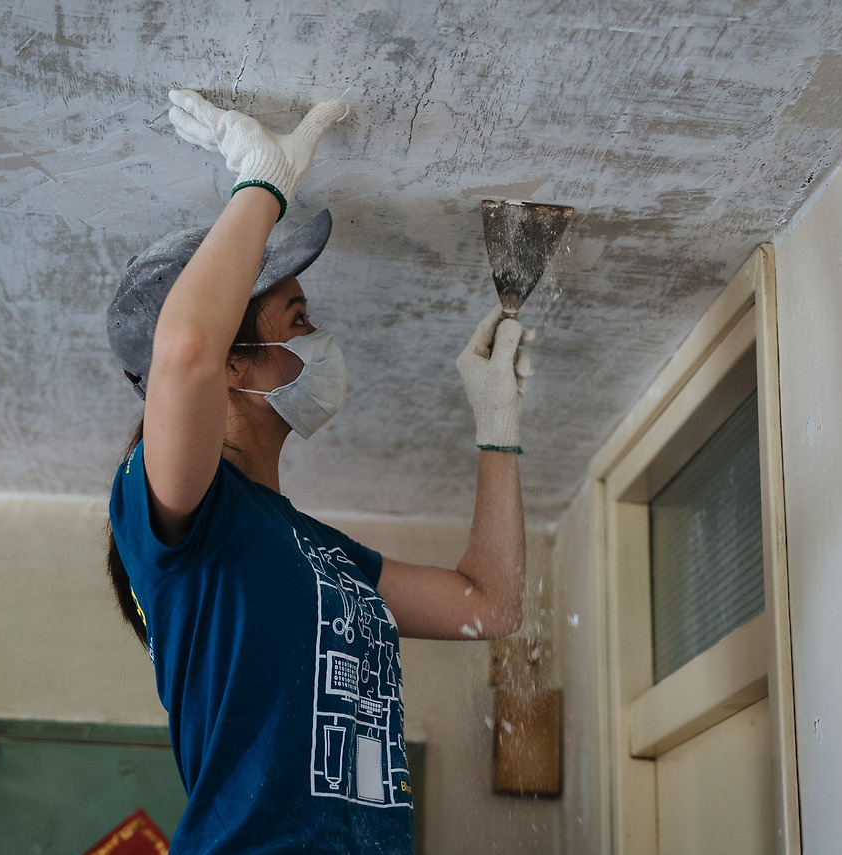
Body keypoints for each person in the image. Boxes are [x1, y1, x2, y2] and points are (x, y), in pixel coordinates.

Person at [103, 89, 532, 854]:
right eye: (297, 319)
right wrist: (261, 182)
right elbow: (186, 350)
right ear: (233, 365)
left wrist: (499, 426)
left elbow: (491, 605)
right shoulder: (181, 516)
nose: (319, 335)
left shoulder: (323, 553)